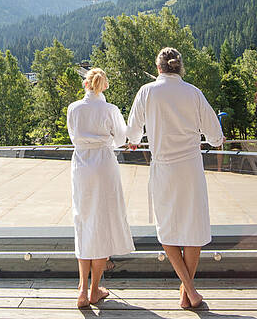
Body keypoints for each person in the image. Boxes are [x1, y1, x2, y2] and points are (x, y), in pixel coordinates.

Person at [126, 47, 224, 309]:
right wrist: (216, 139)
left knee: (167, 230)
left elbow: (133, 132)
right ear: (179, 67)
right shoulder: (194, 93)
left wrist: (135, 142)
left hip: (164, 169)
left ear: (158, 68)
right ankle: (188, 292)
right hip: (191, 169)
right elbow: (215, 136)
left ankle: (188, 290)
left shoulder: (146, 92)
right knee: (193, 230)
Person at [67, 67, 134, 308]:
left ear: (86, 84)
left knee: (83, 221)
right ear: (103, 85)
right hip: (104, 164)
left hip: (82, 166)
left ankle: (82, 290)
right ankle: (95, 290)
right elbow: (120, 140)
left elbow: (73, 136)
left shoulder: (73, 109)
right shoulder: (110, 110)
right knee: (102, 223)